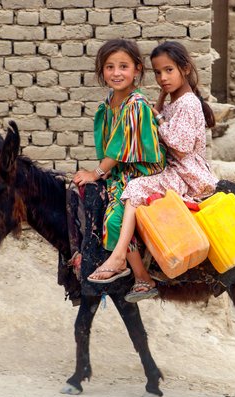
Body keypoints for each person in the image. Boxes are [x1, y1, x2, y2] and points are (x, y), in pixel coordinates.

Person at [89, 40, 220, 303]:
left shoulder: (188, 103)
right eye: (158, 72)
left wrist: (157, 117)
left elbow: (181, 144)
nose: (162, 78)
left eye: (169, 71)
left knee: (134, 188)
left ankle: (119, 258)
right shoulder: (175, 100)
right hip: (175, 169)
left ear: (184, 68)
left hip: (187, 173)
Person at [72, 39, 166, 287]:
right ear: (102, 71)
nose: (116, 73)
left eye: (123, 66)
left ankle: (140, 275)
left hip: (142, 172)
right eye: (109, 67)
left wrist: (97, 172)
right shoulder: (107, 103)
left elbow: (119, 147)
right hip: (121, 171)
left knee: (115, 218)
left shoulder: (135, 105)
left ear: (137, 69)